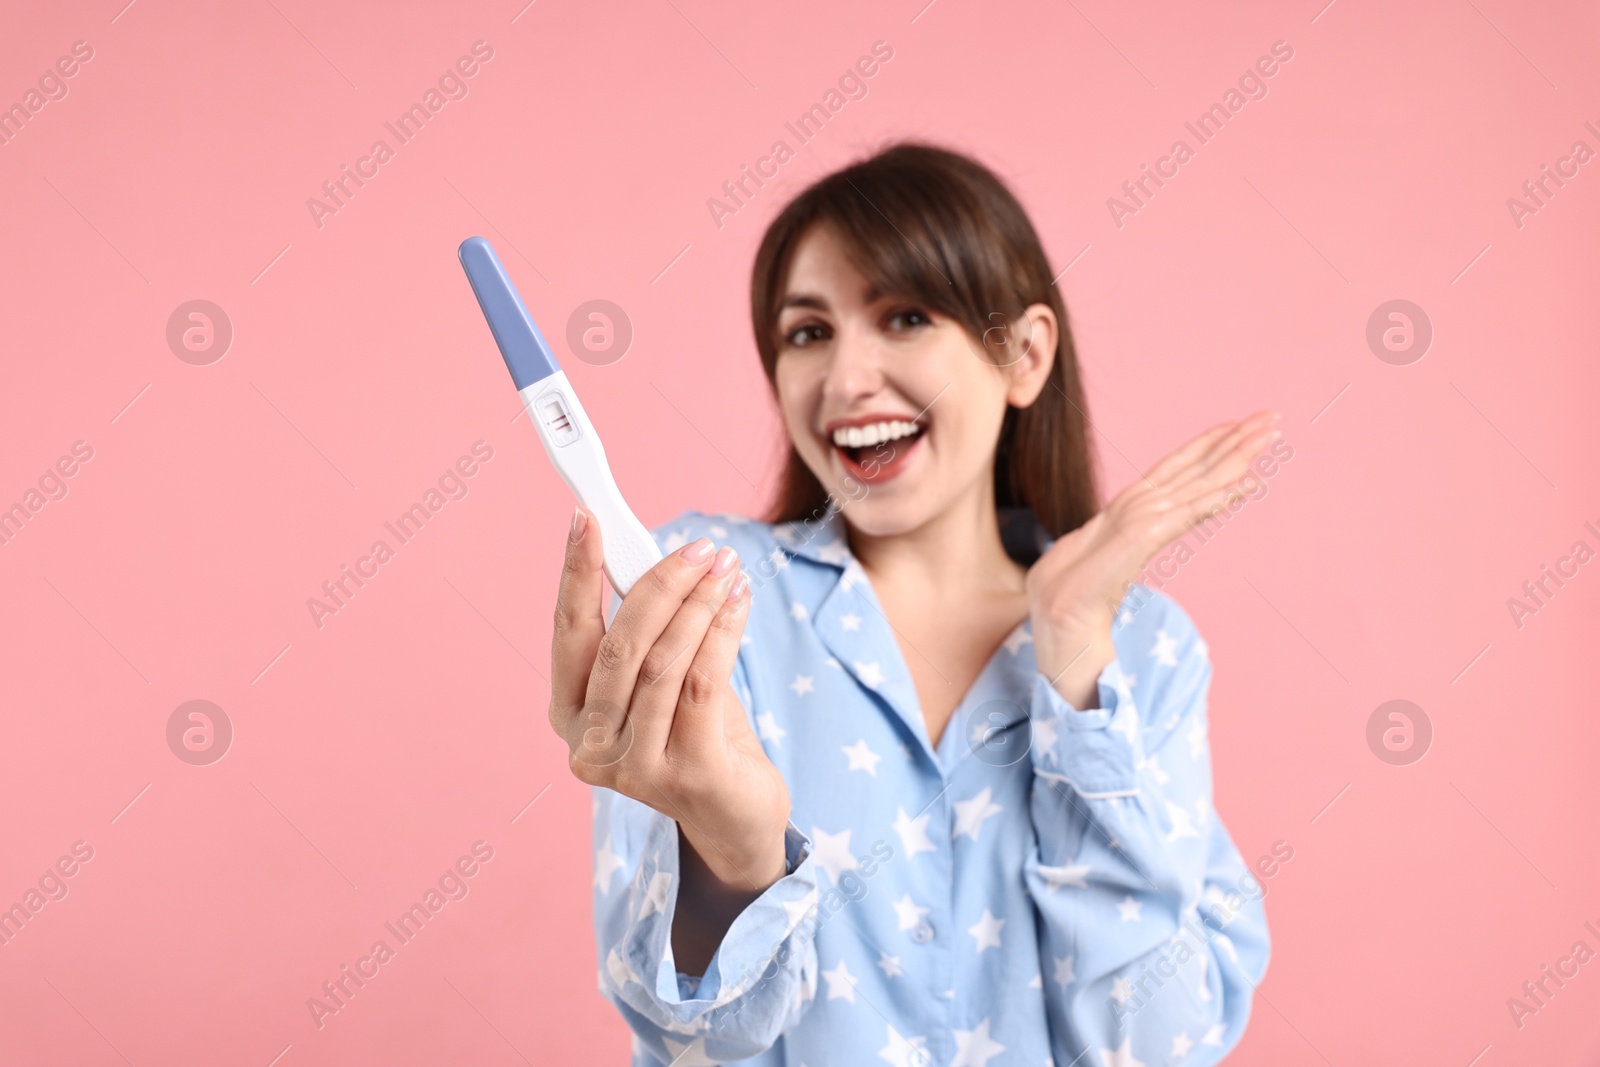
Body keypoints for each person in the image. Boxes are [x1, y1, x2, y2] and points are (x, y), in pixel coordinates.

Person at [552, 142, 1274, 1066]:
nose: (847, 380)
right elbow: (689, 1042)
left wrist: (1075, 647)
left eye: (903, 316)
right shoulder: (713, 597)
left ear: (1024, 355)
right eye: (807, 332)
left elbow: (1158, 1046)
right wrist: (733, 860)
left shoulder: (1147, 650)